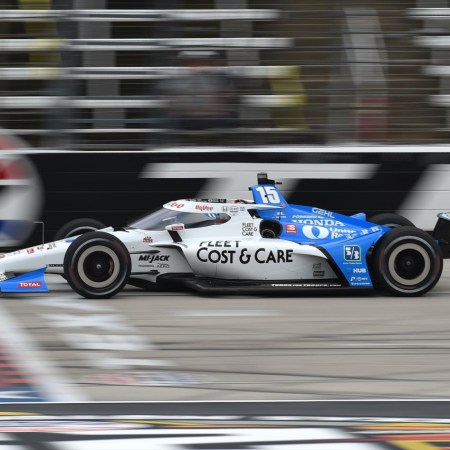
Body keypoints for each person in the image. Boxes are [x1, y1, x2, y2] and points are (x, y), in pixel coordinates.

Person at [156, 51, 239, 136]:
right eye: (192, 61)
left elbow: (231, 100)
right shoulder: (174, 78)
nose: (197, 65)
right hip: (182, 120)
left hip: (214, 120)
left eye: (202, 61)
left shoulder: (220, 78)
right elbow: (166, 101)